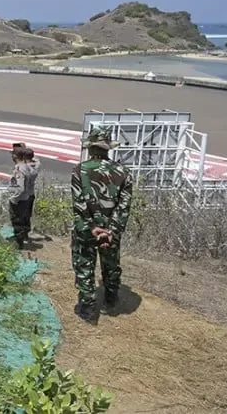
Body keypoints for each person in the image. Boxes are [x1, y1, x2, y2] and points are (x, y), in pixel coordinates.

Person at [70, 126, 134, 323]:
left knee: (85, 266)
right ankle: (111, 298)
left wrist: (92, 227)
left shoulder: (80, 170)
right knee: (111, 264)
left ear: (90, 148)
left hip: (87, 229)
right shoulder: (124, 172)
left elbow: (79, 204)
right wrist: (112, 230)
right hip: (111, 229)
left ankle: (88, 308)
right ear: (108, 149)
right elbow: (124, 206)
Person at [8, 145, 40, 249]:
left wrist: (14, 199)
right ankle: (20, 239)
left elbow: (20, 188)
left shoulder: (20, 169)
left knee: (17, 220)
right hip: (26, 197)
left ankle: (18, 242)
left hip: (20, 199)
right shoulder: (28, 167)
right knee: (22, 219)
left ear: (15, 156)